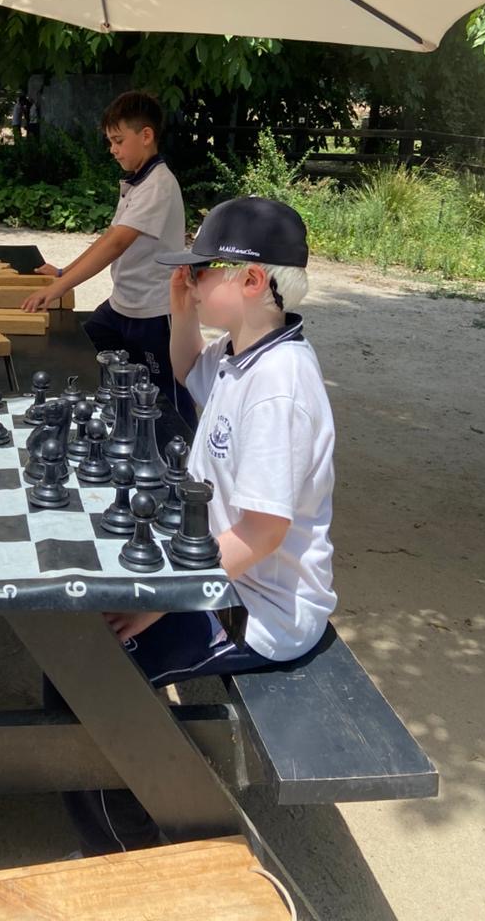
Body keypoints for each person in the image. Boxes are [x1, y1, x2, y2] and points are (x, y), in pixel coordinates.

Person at [54, 194, 336, 855]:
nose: (193, 277)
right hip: (225, 576)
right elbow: (185, 371)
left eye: (205, 270)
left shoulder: (280, 388)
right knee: (73, 645)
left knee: (90, 677)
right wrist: (183, 306)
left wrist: (165, 599)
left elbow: (262, 534)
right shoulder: (247, 350)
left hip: (259, 607)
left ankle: (133, 848)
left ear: (253, 279)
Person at [22, 90, 194, 427]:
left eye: (118, 140)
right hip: (122, 305)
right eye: (110, 141)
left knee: (169, 394)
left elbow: (116, 243)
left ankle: (189, 451)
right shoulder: (138, 182)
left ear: (146, 136)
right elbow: (108, 238)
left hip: (154, 312)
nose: (112, 149)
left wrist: (58, 288)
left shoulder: (158, 185)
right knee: (85, 344)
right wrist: (62, 272)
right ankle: (121, 422)